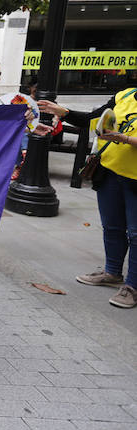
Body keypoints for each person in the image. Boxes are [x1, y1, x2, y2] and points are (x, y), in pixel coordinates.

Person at [39, 88, 137, 308]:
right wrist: (63, 111)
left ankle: (132, 287)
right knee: (112, 226)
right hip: (110, 172)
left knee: (136, 234)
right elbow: (95, 120)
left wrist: (125, 139)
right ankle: (112, 272)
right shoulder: (126, 95)